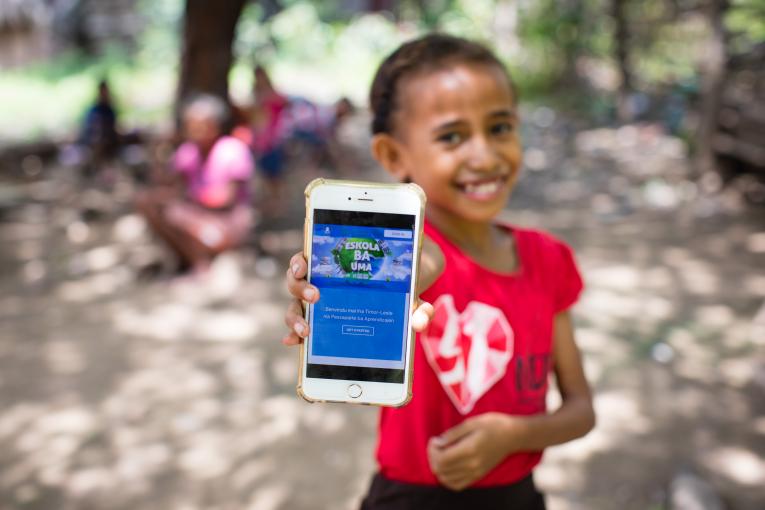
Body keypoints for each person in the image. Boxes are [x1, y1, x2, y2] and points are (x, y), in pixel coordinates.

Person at [282, 34, 596, 509]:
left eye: (500, 127)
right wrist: (323, 299)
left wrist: (512, 436)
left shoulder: (549, 260)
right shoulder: (405, 259)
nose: (485, 156)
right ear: (392, 156)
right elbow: (410, 270)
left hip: (518, 498)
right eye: (452, 136)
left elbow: (582, 412)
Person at [136, 94, 254, 276]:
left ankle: (201, 265)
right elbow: (167, 183)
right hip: (199, 220)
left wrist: (188, 198)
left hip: (227, 224)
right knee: (149, 202)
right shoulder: (188, 152)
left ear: (215, 125)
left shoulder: (232, 150)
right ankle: (186, 260)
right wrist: (160, 151)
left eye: (200, 126)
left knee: (177, 212)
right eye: (191, 126)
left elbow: (225, 199)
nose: (195, 131)